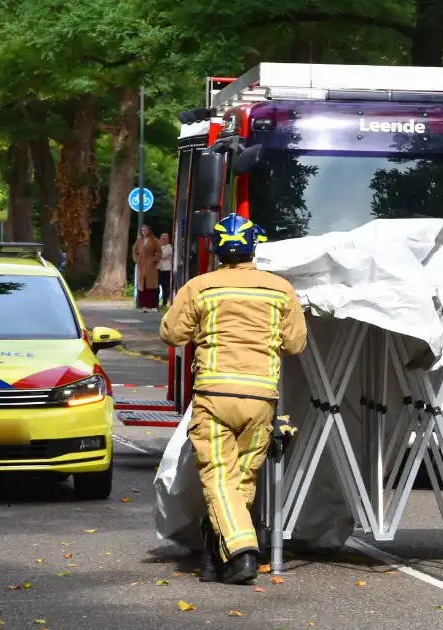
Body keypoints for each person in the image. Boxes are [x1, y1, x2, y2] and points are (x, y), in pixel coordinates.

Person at [159, 213, 307, 585]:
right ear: (255, 247)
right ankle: (213, 559)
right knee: (241, 480)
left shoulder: (200, 286)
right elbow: (295, 343)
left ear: (216, 248)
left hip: (214, 395)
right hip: (260, 399)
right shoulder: (280, 289)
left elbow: (173, 334)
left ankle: (242, 552)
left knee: (218, 478)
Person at [133, 225, 161, 310]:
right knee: (143, 284)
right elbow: (134, 251)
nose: (144, 232)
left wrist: (153, 260)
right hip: (141, 264)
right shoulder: (139, 241)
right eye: (142, 230)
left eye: (145, 230)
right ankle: (143, 305)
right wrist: (137, 260)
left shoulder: (154, 240)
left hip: (151, 265)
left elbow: (159, 251)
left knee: (151, 284)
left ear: (149, 230)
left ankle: (153, 305)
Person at [158, 233, 173, 307]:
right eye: (162, 238)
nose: (163, 240)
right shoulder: (159, 247)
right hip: (159, 269)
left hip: (166, 269)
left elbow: (162, 255)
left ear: (168, 239)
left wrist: (156, 254)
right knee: (157, 286)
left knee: (165, 287)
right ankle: (156, 301)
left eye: (165, 239)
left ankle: (164, 302)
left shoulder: (169, 248)